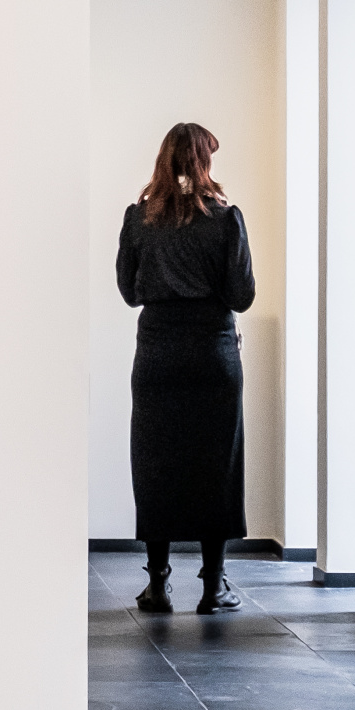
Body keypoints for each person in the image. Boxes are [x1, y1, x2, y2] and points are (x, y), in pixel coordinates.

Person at [116, 122, 255, 615]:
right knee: (218, 466)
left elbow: (129, 292)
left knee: (155, 466)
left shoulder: (138, 219)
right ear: (204, 162)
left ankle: (157, 585)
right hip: (212, 354)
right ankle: (213, 587)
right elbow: (242, 296)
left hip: (157, 355)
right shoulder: (226, 219)